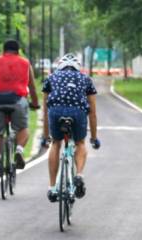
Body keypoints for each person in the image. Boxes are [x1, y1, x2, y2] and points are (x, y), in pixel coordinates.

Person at [41, 53, 100, 203]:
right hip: (77, 113)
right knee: (80, 143)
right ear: (77, 67)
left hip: (56, 112)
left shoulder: (51, 78)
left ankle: (53, 188)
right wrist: (94, 138)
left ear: (59, 66)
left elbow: (45, 109)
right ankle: (79, 175)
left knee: (56, 143)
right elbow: (92, 111)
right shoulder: (85, 79)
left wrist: (45, 136)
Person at [0, 40, 40, 177]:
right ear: (18, 51)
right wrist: (35, 103)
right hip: (17, 101)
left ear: (3, 50)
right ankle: (19, 150)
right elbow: (32, 87)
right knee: (23, 129)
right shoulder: (25, 63)